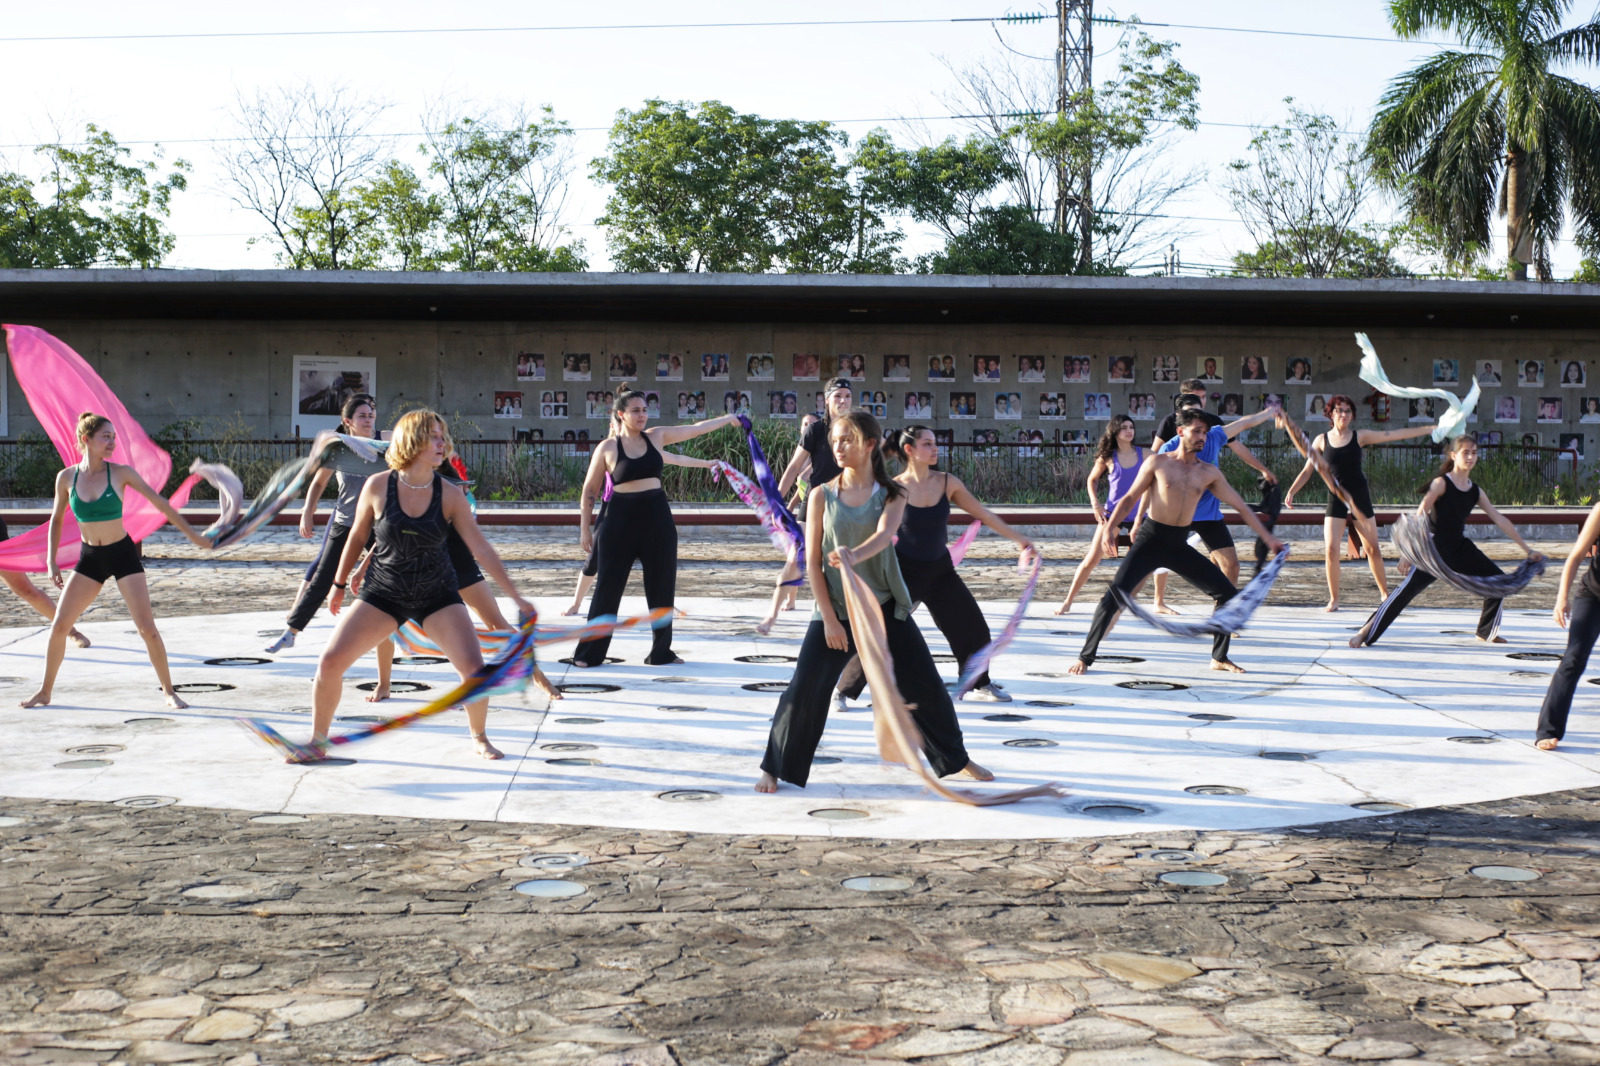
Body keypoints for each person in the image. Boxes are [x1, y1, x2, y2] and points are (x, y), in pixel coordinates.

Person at [756, 411, 994, 793]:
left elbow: (885, 536)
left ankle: (956, 758)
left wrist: (855, 554)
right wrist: (831, 621)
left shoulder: (893, 494)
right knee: (804, 689)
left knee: (927, 685)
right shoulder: (820, 495)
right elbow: (814, 562)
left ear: (869, 445)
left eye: (846, 439)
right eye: (834, 440)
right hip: (834, 607)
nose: (837, 447)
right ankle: (774, 766)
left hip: (884, 606)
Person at [301, 410, 533, 761]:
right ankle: (318, 742)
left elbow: (481, 549)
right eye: (434, 438)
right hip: (383, 593)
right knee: (331, 662)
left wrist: (516, 597)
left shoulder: (450, 494)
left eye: (443, 437)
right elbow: (357, 536)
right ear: (412, 441)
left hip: (436, 594)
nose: (443, 445)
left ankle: (480, 737)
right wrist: (337, 583)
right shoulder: (378, 486)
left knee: (474, 671)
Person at [832, 425, 1036, 710]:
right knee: (881, 630)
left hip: (940, 571)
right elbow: (875, 530)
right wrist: (853, 555)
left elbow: (983, 513)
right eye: (927, 444)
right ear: (909, 450)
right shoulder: (895, 488)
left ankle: (979, 683)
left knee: (973, 627)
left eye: (935, 443)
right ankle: (843, 689)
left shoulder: (946, 482)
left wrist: (1019, 539)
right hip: (903, 572)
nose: (935, 448)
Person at [1069, 408, 1286, 675]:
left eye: (1205, 432)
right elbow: (1128, 499)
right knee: (1114, 595)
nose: (1202, 437)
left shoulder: (1208, 473)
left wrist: (1268, 538)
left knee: (1228, 594)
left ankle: (1219, 657)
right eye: (1197, 431)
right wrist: (1109, 528)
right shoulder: (1158, 463)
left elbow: (1241, 506)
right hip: (1151, 539)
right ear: (1180, 431)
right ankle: (1085, 657)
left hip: (1177, 544)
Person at [20, 413, 214, 710]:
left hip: (122, 555)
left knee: (147, 628)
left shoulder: (121, 473)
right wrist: (51, 560)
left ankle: (169, 692)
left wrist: (193, 535)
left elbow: (159, 503)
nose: (112, 442)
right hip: (90, 560)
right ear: (86, 440)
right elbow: (56, 520)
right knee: (59, 625)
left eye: (113, 436)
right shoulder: (67, 478)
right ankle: (45, 692)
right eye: (105, 437)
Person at [573, 390, 737, 667]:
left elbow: (694, 429)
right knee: (608, 589)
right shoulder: (608, 448)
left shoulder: (656, 436)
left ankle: (661, 652)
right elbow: (589, 490)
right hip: (619, 521)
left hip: (657, 518)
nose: (642, 415)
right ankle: (589, 654)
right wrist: (585, 529)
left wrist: (728, 418)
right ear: (621, 414)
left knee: (662, 587)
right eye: (635, 410)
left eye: (645, 409)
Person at [1351, 435, 1542, 649]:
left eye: (1474, 452)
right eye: (1465, 452)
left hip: (1458, 548)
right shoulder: (1441, 483)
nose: (1470, 457)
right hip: (1433, 551)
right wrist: (1409, 553)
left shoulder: (1475, 490)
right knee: (1403, 593)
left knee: (1498, 581)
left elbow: (1500, 519)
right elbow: (1420, 513)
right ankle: (1365, 632)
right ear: (1454, 455)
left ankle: (1486, 631)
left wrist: (1528, 550)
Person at [263, 394, 395, 693]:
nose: (369, 419)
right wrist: (308, 511)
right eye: (362, 415)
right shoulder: (337, 448)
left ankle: (385, 680)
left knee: (385, 592)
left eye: (371, 413)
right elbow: (319, 483)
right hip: (346, 521)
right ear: (348, 421)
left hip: (377, 524)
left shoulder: (386, 440)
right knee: (322, 577)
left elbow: (413, 447)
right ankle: (292, 630)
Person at [1282, 394, 1434, 611]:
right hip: (1335, 498)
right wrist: (1292, 490)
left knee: (1372, 548)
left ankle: (1384, 594)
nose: (1343, 414)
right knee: (1331, 549)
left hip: (1359, 497)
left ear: (1352, 415)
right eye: (1339, 410)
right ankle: (1334, 599)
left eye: (1347, 411)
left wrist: (1428, 429)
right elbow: (1308, 470)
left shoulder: (1359, 436)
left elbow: (1392, 434)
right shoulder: (1321, 440)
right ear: (1331, 414)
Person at [1150, 381, 1277, 586]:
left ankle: (1224, 610)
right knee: (1155, 564)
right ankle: (1157, 600)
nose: (1199, 424)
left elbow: (1245, 422)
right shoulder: (1168, 448)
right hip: (1177, 515)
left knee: (1231, 565)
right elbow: (1148, 480)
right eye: (1191, 419)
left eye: (1200, 416)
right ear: (1180, 426)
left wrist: (1270, 412)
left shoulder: (1215, 434)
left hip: (1208, 514)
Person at [760, 380, 856, 634]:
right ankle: (771, 615)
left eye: (847, 396)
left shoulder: (858, 430)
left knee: (848, 562)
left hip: (847, 503)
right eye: (838, 396)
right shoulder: (814, 430)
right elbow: (793, 468)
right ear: (826, 400)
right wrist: (776, 503)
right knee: (796, 557)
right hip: (814, 501)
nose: (843, 401)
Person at [1056, 416, 1145, 614]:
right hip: (1113, 514)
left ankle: (1132, 604)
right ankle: (1068, 602)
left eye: (1131, 427)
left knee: (1141, 567)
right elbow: (1092, 480)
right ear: (1114, 432)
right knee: (1091, 560)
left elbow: (1167, 461)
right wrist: (1095, 503)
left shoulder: (1145, 454)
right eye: (1124, 428)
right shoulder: (1108, 456)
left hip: (1139, 516)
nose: (1129, 431)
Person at [1536, 499, 1600, 750]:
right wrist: (1561, 598)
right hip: (1593, 596)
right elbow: (1575, 556)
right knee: (1574, 659)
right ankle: (1548, 730)